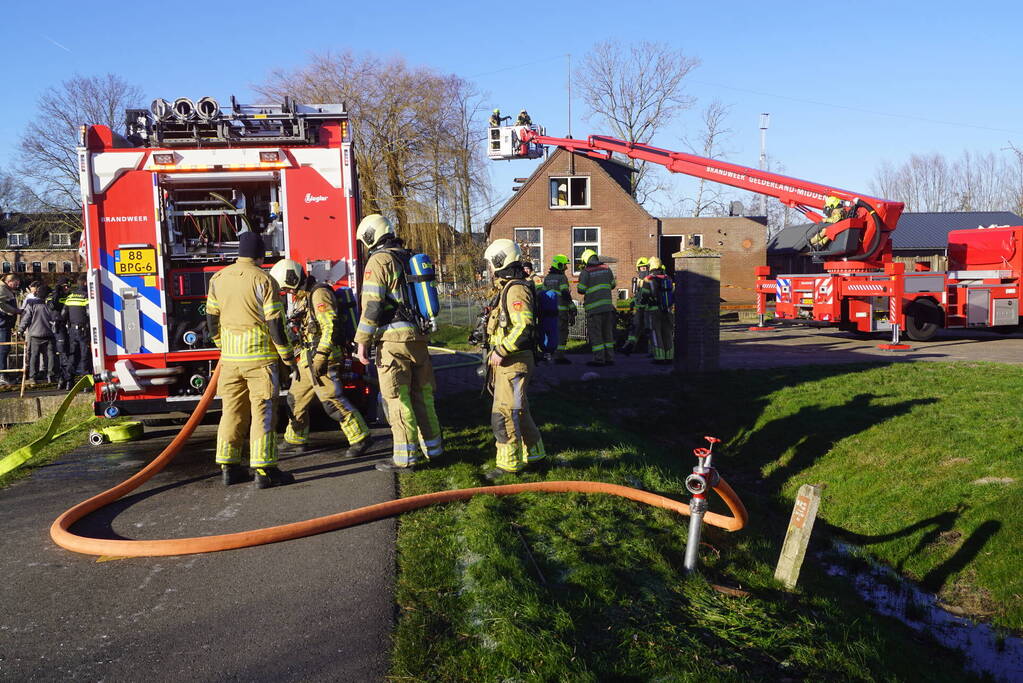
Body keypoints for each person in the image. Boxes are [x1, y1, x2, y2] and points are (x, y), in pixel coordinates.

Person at [206, 231, 299, 489]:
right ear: (260, 255)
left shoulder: (218, 278)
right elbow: (275, 325)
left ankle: (229, 467)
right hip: (260, 360)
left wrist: (222, 346)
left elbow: (211, 320)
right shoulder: (265, 280)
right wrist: (288, 357)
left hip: (230, 361)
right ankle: (265, 470)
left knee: (231, 411)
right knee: (263, 413)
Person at [353, 214, 443, 472]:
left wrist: (362, 342)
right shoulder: (406, 256)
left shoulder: (378, 261)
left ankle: (405, 458)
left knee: (397, 398)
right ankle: (434, 450)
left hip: (393, 341)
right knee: (422, 396)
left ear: (370, 237)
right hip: (417, 337)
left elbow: (372, 306)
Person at [269, 259, 372, 458]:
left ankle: (360, 437)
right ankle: (296, 438)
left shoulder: (319, 294)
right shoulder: (305, 296)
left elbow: (329, 326)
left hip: (323, 357)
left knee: (331, 399)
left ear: (293, 279)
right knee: (295, 398)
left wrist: (322, 356)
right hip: (308, 358)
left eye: (287, 289)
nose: (288, 293)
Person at [482, 238, 546, 478]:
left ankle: (508, 464)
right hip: (512, 361)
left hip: (514, 362)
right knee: (519, 410)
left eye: (491, 263)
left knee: (504, 412)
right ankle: (536, 454)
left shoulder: (515, 289)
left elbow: (523, 327)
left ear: (500, 260)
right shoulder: (509, 286)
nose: (490, 268)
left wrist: (501, 350)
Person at [577, 249, 616, 367]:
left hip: (594, 310)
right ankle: (610, 358)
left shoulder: (586, 271)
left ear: (585, 260)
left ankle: (599, 359)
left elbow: (581, 290)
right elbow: (613, 285)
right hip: (607, 308)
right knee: (607, 333)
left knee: (596, 334)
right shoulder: (606, 268)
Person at [19, 285, 58, 384]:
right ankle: (51, 376)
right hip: (49, 334)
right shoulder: (51, 305)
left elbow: (26, 318)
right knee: (50, 355)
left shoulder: (32, 304)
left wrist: (20, 330)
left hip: (35, 334)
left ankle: (33, 377)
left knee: (34, 356)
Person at [543, 254, 575, 364]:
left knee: (550, 332)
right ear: (560, 265)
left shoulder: (547, 278)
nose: (566, 268)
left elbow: (543, 294)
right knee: (562, 333)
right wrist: (572, 307)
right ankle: (559, 356)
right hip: (561, 311)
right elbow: (565, 294)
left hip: (549, 311)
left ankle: (548, 355)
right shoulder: (562, 278)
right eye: (565, 265)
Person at [642, 257, 674, 364]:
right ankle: (669, 356)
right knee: (668, 333)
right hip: (668, 310)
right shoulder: (668, 278)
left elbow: (645, 295)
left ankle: (659, 357)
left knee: (656, 333)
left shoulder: (648, 279)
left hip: (654, 311)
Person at [62, 275, 91, 384]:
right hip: (83, 329)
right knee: (85, 355)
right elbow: (89, 314)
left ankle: (69, 381)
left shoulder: (70, 297)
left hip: (72, 330)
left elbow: (63, 314)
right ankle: (86, 383)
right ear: (85, 283)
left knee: (73, 355)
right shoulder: (86, 297)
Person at [46, 279, 72, 390]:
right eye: (65, 286)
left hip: (70, 328)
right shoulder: (52, 296)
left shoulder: (70, 296)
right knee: (63, 355)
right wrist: (56, 293)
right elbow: (52, 306)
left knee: (68, 354)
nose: (67, 288)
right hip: (57, 328)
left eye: (68, 286)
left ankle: (65, 378)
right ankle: (64, 379)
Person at [623, 257, 651, 354]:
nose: (643, 270)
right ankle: (629, 346)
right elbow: (636, 295)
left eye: (645, 268)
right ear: (638, 270)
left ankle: (651, 350)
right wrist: (633, 303)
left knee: (649, 329)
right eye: (641, 268)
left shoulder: (651, 280)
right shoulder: (637, 281)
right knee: (635, 327)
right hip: (639, 309)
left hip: (649, 309)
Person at [0, 274, 21, 386]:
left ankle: (4, 374)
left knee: (5, 349)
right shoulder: (2, 289)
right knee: (3, 349)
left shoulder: (6, 289)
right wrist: (14, 311)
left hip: (5, 324)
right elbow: (1, 304)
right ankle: (2, 375)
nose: (17, 286)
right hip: (2, 324)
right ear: (9, 281)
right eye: (16, 283)